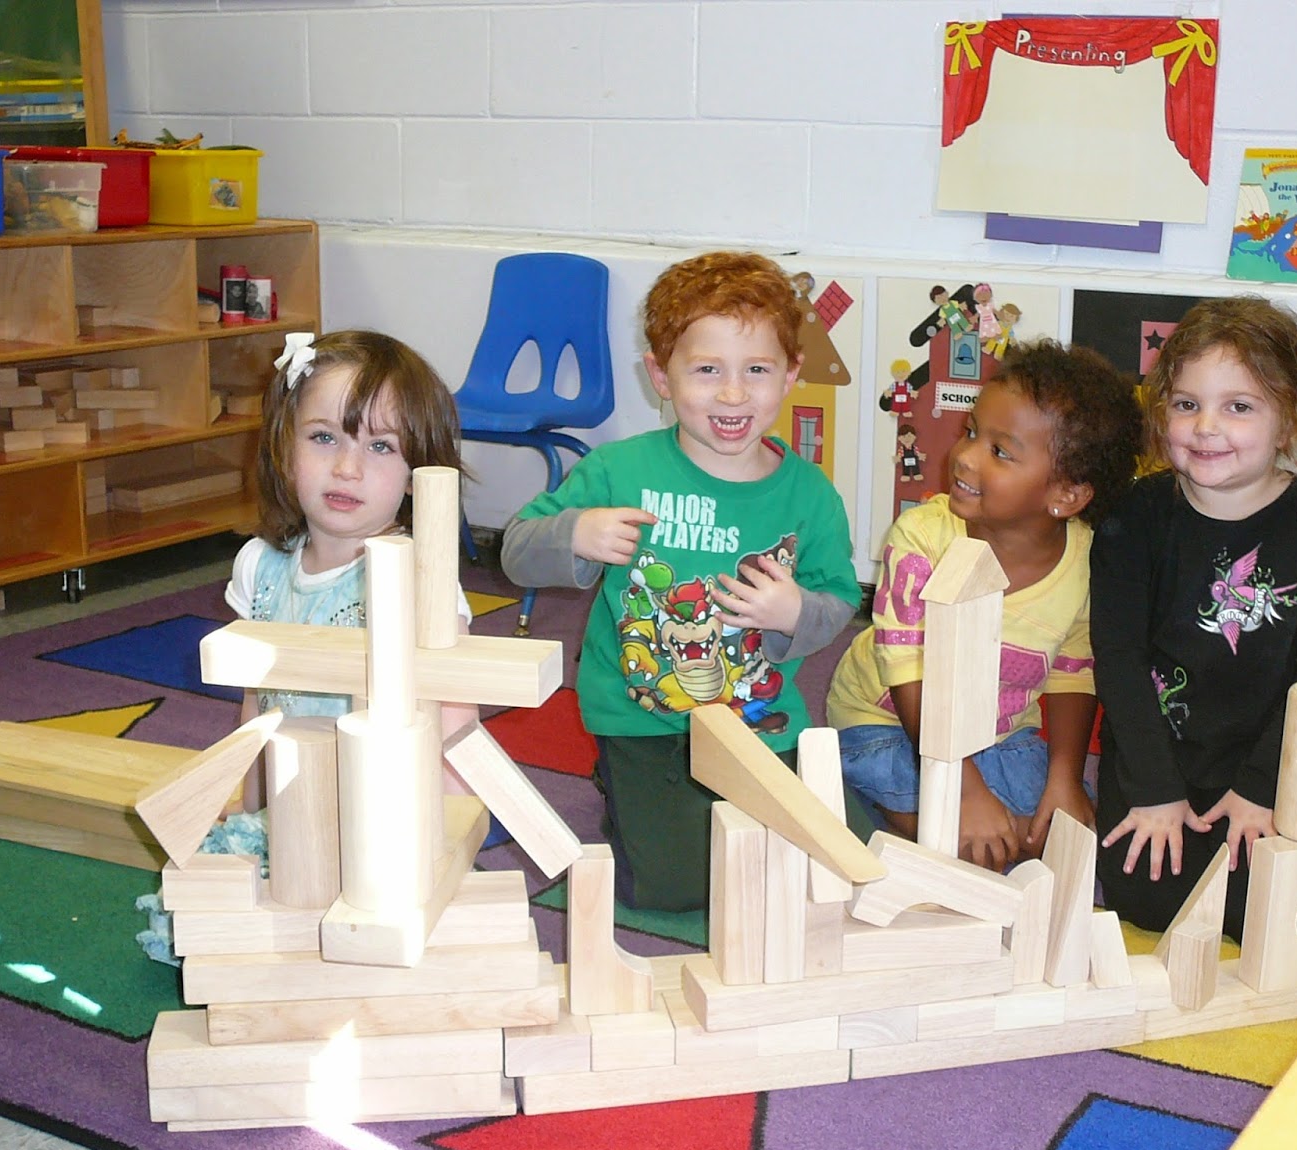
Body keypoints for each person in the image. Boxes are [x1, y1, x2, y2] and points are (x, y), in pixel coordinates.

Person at [501, 250, 867, 911]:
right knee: (675, 889)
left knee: (811, 861)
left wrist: (792, 612)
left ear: (791, 376)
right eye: (706, 370)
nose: (732, 394)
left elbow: (838, 598)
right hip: (641, 723)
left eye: (756, 370)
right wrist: (574, 535)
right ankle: (623, 790)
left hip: (758, 724)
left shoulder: (811, 496)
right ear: (660, 377)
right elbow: (518, 554)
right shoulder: (617, 471)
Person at [827, 339, 1143, 871]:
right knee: (969, 846)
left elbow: (1072, 671)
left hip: (999, 733)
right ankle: (878, 808)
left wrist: (1065, 779)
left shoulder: (1087, 560)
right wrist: (966, 792)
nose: (965, 457)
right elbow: (909, 673)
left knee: (1059, 832)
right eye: (972, 432)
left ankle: (943, 826)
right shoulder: (922, 538)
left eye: (999, 452)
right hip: (885, 724)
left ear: (1064, 496)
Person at [1090, 296, 1297, 941]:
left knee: (1282, 915)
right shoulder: (1137, 514)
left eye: (1239, 406)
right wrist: (1153, 788)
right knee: (1145, 902)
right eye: (1187, 403)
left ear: (1289, 421)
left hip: (1263, 762)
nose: (1206, 427)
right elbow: (1117, 659)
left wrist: (1264, 787)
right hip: (1159, 758)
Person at [225, 330, 478, 809]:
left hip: (384, 816)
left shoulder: (421, 584)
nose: (346, 467)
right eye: (324, 437)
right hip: (292, 803)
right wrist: (248, 811)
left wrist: (447, 834)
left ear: (416, 473)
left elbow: (456, 724)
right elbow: (255, 705)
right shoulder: (260, 565)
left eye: (380, 446)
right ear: (284, 448)